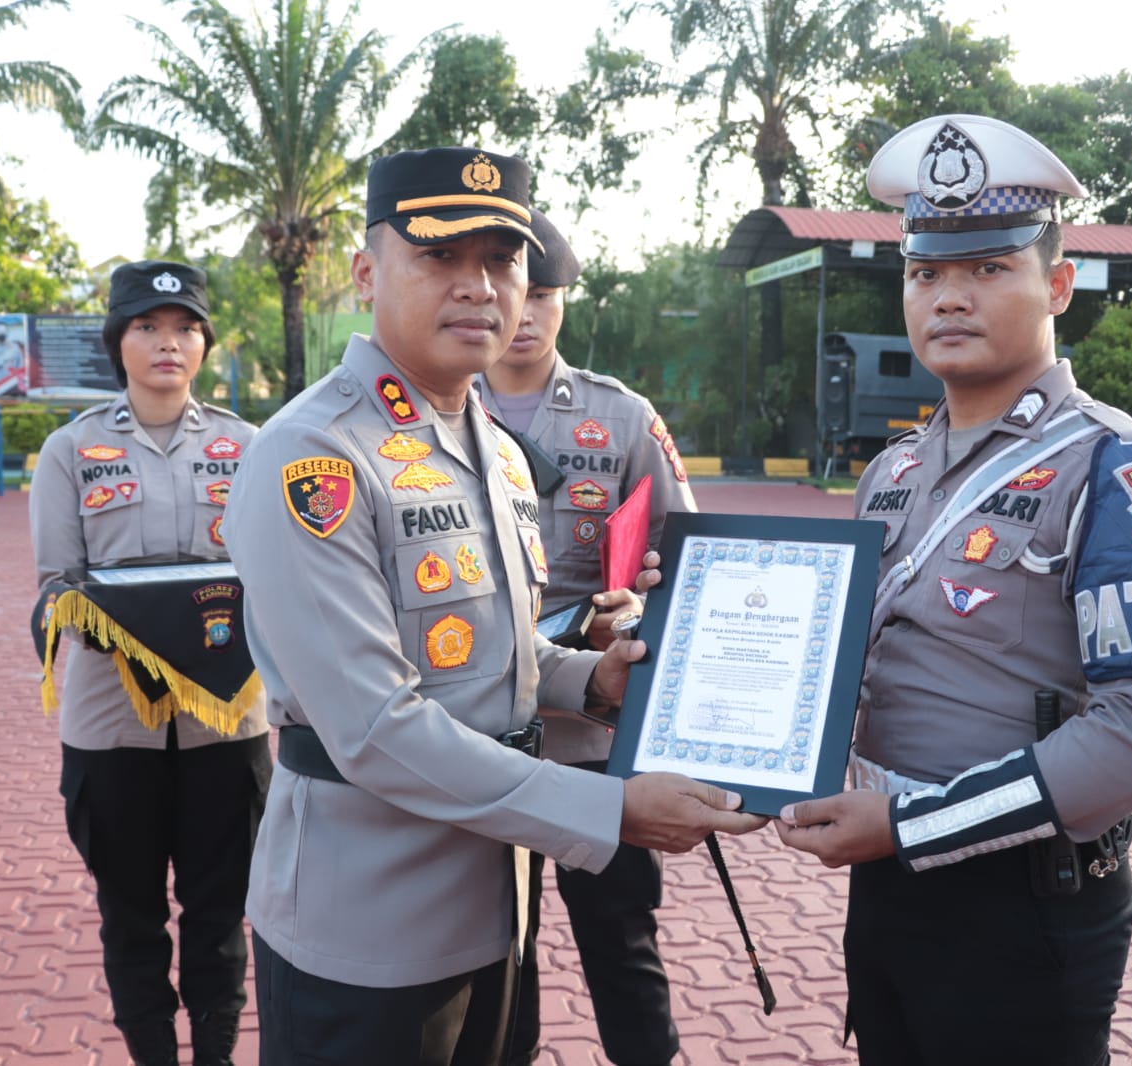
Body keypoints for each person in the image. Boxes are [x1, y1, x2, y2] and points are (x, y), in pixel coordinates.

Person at [218, 146, 764, 1066]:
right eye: (440, 257)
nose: (478, 287)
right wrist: (615, 814)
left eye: (501, 261)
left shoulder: (496, 449)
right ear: (366, 271)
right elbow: (375, 728)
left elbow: (497, 653)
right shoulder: (313, 456)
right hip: (366, 931)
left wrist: (598, 684)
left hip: (492, 911)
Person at [770, 114, 1132, 1064]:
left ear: (1057, 284)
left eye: (989, 268)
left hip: (1022, 909)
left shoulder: (1117, 470)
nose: (950, 298)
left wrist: (911, 824)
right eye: (927, 272)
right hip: (888, 886)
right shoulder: (890, 473)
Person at [28, 260, 271, 1066]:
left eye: (186, 328)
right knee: (129, 913)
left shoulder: (250, 445)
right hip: (113, 730)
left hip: (227, 720)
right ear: (118, 341)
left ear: (204, 343)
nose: (169, 342)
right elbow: (58, 585)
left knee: (219, 910)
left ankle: (214, 1054)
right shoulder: (73, 450)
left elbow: (285, 570)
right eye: (148, 327)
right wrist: (122, 624)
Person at [477, 210, 696, 1066]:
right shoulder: (430, 412)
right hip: (483, 728)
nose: (524, 312)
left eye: (544, 293)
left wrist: (635, 610)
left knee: (621, 941)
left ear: (566, 300)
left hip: (596, 732)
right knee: (498, 951)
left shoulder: (622, 416)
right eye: (511, 289)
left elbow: (683, 560)